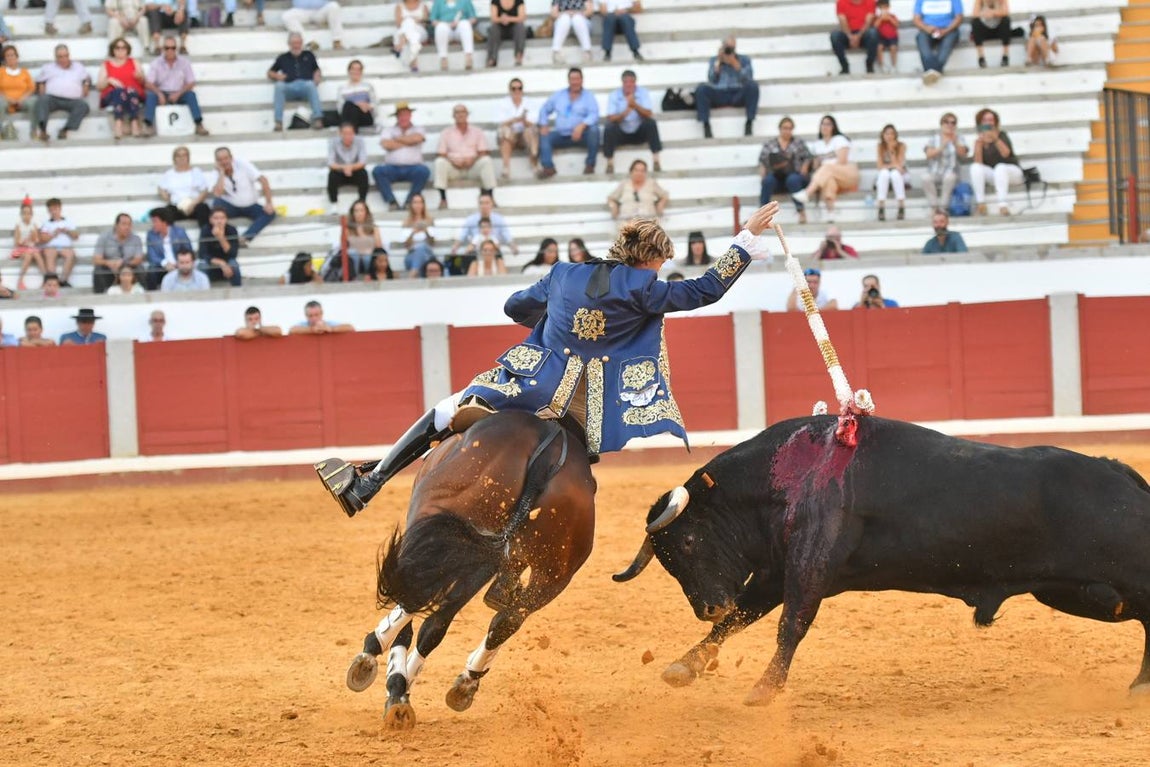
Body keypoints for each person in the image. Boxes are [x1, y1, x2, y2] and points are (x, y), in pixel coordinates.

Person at [318, 201, 781, 516]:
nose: (658, 273)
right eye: (659, 265)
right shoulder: (642, 287)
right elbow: (702, 290)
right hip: (584, 404)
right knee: (576, 460)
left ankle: (369, 485)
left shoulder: (563, 273)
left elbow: (515, 306)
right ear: (648, 259)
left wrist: (552, 326)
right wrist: (743, 241)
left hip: (531, 380)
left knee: (446, 408)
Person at [791, 115, 858, 222]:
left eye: (828, 124)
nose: (825, 127)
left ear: (833, 127)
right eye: (823, 124)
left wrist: (824, 163)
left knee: (827, 168)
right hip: (830, 175)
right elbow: (816, 167)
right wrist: (813, 162)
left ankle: (808, 193)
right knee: (829, 180)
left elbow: (842, 161)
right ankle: (830, 212)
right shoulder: (817, 145)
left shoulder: (840, 139)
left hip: (848, 173)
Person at [536, 67, 600, 178]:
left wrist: (582, 125)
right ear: (568, 80)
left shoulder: (588, 96)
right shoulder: (559, 95)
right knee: (544, 135)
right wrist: (544, 124)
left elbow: (594, 114)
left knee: (594, 130)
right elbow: (544, 109)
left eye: (577, 79)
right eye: (572, 79)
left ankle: (590, 165)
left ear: (582, 80)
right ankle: (548, 167)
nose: (575, 82)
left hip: (581, 135)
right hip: (562, 135)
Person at [143, 34, 209, 137]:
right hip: (162, 92)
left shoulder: (184, 63)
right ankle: (148, 125)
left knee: (191, 95)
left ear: (176, 49)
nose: (170, 50)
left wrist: (178, 94)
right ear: (162, 49)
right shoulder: (156, 63)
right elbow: (149, 83)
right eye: (167, 48)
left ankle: (199, 124)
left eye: (173, 48)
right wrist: (159, 93)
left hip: (179, 92)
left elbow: (191, 82)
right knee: (151, 96)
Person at [433, 103, 497, 209]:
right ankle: (443, 199)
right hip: (454, 168)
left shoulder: (477, 131)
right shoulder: (446, 132)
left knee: (486, 161)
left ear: (467, 114)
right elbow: (441, 153)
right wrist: (452, 161)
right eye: (457, 112)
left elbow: (483, 151)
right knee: (440, 162)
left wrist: (472, 160)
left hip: (473, 167)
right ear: (453, 116)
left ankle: (491, 197)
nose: (460, 115)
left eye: (462, 112)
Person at [694, 35, 759, 139]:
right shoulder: (714, 60)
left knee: (753, 86)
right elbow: (711, 79)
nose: (729, 51)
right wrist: (718, 64)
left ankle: (749, 122)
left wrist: (736, 65)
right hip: (719, 93)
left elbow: (748, 78)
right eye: (727, 47)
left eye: (732, 48)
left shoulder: (744, 60)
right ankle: (706, 125)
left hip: (738, 93)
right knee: (701, 89)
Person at [372, 101, 431, 212]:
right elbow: (386, 144)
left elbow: (418, 138)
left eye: (405, 115)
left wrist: (396, 139)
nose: (403, 118)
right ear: (397, 117)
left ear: (410, 115)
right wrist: (409, 141)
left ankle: (410, 200)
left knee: (424, 171)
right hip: (392, 168)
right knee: (378, 171)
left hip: (413, 167)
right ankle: (391, 201)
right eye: (400, 115)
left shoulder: (418, 128)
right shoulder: (388, 130)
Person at [211, 146, 277, 244]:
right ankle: (221, 238)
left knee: (270, 213)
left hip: (250, 205)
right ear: (216, 162)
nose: (224, 162)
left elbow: (263, 180)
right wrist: (221, 173)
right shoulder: (215, 173)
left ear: (231, 158)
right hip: (231, 206)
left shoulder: (242, 164)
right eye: (220, 160)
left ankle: (245, 238)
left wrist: (269, 203)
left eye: (226, 158)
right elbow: (217, 193)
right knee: (216, 205)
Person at [603, 69, 661, 176]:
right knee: (609, 127)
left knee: (651, 123)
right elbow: (611, 118)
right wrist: (626, 112)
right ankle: (610, 162)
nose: (629, 85)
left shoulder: (643, 93)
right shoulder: (614, 95)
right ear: (622, 83)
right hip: (621, 132)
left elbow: (648, 114)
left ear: (635, 82)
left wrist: (635, 106)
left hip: (639, 131)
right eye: (626, 82)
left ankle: (656, 159)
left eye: (631, 82)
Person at [970, 107, 1023, 216]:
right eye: (985, 120)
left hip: (1011, 172)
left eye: (991, 120)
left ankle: (1002, 205)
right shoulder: (979, 140)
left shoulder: (1002, 135)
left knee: (1000, 167)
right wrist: (979, 145)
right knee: (975, 167)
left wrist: (995, 139)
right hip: (996, 175)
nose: (988, 123)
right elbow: (978, 163)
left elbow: (1006, 154)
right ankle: (981, 204)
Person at [758, 116, 812, 222]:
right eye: (785, 128)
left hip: (794, 177)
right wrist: (762, 174)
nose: (787, 131)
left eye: (789, 128)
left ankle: (801, 211)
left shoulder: (798, 143)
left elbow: (808, 157)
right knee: (767, 181)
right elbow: (762, 160)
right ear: (780, 129)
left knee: (792, 179)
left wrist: (804, 167)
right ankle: (762, 215)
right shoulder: (770, 144)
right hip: (776, 177)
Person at [268, 32, 324, 132]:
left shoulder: (309, 55)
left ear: (302, 43)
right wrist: (277, 76)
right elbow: (270, 72)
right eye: (293, 43)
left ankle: (317, 119)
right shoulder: (283, 57)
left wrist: (317, 76)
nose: (296, 46)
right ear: (289, 44)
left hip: (306, 86)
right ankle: (278, 122)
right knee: (279, 86)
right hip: (289, 86)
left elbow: (316, 69)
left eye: (298, 43)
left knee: (311, 85)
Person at [34, 44, 91, 142]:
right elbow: (41, 82)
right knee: (42, 100)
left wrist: (85, 86)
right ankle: (43, 131)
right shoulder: (48, 67)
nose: (63, 59)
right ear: (55, 57)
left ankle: (65, 130)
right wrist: (42, 92)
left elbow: (86, 79)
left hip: (73, 100)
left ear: (69, 55)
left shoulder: (79, 67)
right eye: (60, 57)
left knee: (83, 106)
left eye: (65, 56)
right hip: (52, 98)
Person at [98, 37, 145, 141]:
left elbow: (143, 82)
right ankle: (118, 124)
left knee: (130, 91)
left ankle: (134, 123)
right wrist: (109, 80)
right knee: (119, 92)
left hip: (133, 93)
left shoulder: (134, 62)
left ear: (127, 50)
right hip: (112, 95)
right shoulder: (106, 65)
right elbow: (99, 86)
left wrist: (140, 77)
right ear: (113, 50)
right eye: (117, 48)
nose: (120, 50)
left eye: (123, 48)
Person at [922, 111, 968, 213]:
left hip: (951, 172)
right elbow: (928, 154)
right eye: (946, 122)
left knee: (950, 177)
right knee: (925, 178)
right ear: (941, 124)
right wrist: (942, 145)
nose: (950, 125)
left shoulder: (959, 138)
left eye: (953, 122)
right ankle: (934, 208)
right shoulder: (933, 138)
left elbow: (963, 155)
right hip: (934, 171)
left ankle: (943, 208)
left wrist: (955, 142)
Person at [158, 145, 212, 229]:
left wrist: (193, 204)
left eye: (184, 155)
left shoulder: (196, 172)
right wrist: (167, 197)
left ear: (188, 157)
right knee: (166, 212)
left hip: (194, 206)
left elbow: (204, 191)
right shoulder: (169, 174)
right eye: (178, 156)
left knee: (203, 208)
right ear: (174, 158)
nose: (181, 158)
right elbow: (161, 188)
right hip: (177, 207)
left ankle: (205, 237)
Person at [92, 212, 145, 293]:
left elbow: (138, 259)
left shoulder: (136, 239)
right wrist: (108, 262)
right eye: (124, 224)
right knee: (98, 270)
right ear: (116, 225)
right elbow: (96, 259)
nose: (127, 227)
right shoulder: (104, 237)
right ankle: (100, 296)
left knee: (140, 269)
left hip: (128, 266)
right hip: (110, 268)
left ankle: (144, 294)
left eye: (129, 224)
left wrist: (124, 263)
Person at [452, 192, 517, 257]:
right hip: (476, 251)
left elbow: (506, 235)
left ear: (492, 203)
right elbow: (462, 235)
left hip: (493, 251)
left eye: (487, 203)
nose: (484, 206)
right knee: (469, 254)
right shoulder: (470, 219)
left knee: (498, 255)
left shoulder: (499, 219)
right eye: (481, 203)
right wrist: (455, 247)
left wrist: (513, 247)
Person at [913, 0, 963, 84]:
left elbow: (959, 18)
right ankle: (935, 70)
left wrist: (945, 30)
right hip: (928, 30)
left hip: (948, 29)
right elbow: (916, 19)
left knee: (947, 44)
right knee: (921, 39)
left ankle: (931, 71)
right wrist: (927, 28)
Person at [497, 78, 538, 178]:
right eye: (514, 88)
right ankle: (506, 167)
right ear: (510, 90)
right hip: (511, 135)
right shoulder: (503, 103)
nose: (517, 91)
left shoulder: (529, 102)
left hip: (524, 135)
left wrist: (523, 121)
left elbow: (533, 122)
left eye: (519, 88)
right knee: (505, 132)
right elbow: (501, 123)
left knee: (531, 131)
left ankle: (534, 162)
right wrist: (516, 119)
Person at [607, 158, 668, 226]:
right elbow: (611, 198)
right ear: (631, 171)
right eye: (636, 170)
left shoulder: (651, 183)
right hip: (627, 221)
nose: (639, 173)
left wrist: (660, 205)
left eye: (642, 171)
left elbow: (664, 195)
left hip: (647, 221)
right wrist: (614, 206)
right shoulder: (624, 184)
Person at [144, 205, 193, 288]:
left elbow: (188, 250)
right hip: (162, 267)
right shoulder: (151, 234)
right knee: (151, 270)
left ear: (164, 222)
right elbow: (152, 256)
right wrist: (165, 263)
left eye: (155, 221)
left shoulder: (179, 232)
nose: (153, 224)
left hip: (179, 264)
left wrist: (178, 263)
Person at [326, 122, 369, 212]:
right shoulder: (333, 142)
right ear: (340, 134)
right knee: (332, 175)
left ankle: (362, 202)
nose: (347, 136)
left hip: (355, 170)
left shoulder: (360, 141)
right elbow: (331, 163)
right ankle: (333, 203)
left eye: (350, 133)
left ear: (354, 133)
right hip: (340, 171)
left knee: (363, 174)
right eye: (345, 133)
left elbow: (363, 161)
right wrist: (344, 168)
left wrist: (351, 168)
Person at [831, 0, 878, 75]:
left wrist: (858, 36)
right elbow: (842, 20)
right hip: (847, 34)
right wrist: (850, 37)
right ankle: (844, 66)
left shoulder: (870, 2)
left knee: (873, 33)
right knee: (835, 35)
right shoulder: (841, 2)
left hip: (864, 34)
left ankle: (869, 64)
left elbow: (868, 21)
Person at [39, 197, 78, 287]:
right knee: (49, 254)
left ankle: (63, 280)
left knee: (71, 255)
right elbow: (43, 238)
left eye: (55, 209)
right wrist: (53, 234)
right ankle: (53, 281)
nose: (53, 212)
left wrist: (67, 231)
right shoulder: (46, 223)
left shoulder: (68, 221)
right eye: (51, 210)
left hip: (65, 247)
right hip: (51, 247)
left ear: (60, 208)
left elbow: (76, 236)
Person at [430, 0, 477, 71]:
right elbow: (433, 20)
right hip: (445, 27)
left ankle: (468, 57)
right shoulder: (438, 2)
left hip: (459, 28)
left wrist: (459, 23)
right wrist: (447, 24)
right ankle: (443, 58)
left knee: (465, 24)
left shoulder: (465, 1)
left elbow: (473, 18)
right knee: (440, 27)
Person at [0, 45, 37, 136]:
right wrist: (8, 99)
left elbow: (31, 88)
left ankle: (33, 132)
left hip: (22, 101)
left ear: (17, 57)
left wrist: (22, 99)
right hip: (6, 100)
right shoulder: (1, 72)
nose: (10, 57)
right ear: (4, 59)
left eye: (12, 55)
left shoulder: (24, 72)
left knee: (34, 102)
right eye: (7, 56)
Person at [199, 206, 242, 285]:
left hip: (227, 262)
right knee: (202, 265)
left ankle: (238, 291)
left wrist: (221, 237)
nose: (219, 221)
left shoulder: (231, 230)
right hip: (212, 262)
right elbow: (203, 254)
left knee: (234, 264)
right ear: (210, 219)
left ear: (226, 219)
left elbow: (233, 253)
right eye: (216, 218)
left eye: (222, 218)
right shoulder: (205, 230)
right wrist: (221, 263)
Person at [874, 123, 907, 221]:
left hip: (900, 174)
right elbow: (880, 166)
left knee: (895, 174)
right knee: (884, 173)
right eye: (887, 134)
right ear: (883, 135)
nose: (889, 136)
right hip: (886, 173)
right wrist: (893, 165)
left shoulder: (901, 146)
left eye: (891, 134)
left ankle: (901, 205)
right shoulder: (880, 146)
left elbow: (900, 165)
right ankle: (881, 206)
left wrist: (892, 151)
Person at [400, 193, 438, 275]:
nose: (418, 205)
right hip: (411, 255)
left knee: (422, 248)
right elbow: (406, 246)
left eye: (420, 202)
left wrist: (426, 231)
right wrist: (413, 232)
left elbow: (432, 243)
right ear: (411, 205)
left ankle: (413, 273)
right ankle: (415, 272)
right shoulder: (406, 223)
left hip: (428, 254)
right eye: (415, 202)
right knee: (419, 250)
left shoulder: (430, 221)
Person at [345, 199, 384, 275]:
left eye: (361, 210)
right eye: (356, 211)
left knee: (368, 256)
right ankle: (354, 278)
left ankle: (369, 277)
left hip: (369, 258)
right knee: (353, 252)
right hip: (354, 260)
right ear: (352, 213)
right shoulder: (348, 229)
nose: (359, 213)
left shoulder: (373, 228)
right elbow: (344, 247)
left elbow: (379, 247)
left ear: (366, 212)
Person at [11, 201, 44, 290]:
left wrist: (33, 238)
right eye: (24, 213)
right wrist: (23, 242)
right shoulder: (19, 225)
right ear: (21, 214)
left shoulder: (34, 225)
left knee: (37, 254)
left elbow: (37, 240)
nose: (27, 215)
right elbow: (16, 242)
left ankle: (46, 279)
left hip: (31, 248)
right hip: (20, 249)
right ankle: (20, 280)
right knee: (29, 255)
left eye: (29, 213)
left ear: (31, 214)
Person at [336, 59, 375, 131]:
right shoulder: (342, 88)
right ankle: (350, 132)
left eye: (358, 69)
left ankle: (348, 132)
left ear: (361, 71)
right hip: (349, 116)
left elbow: (375, 103)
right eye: (353, 69)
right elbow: (340, 108)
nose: (356, 72)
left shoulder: (367, 86)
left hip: (365, 116)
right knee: (349, 105)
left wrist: (368, 106)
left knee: (351, 107)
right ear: (349, 71)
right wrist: (358, 105)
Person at [550, 0, 593, 64]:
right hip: (563, 24)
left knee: (577, 19)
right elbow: (553, 14)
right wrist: (566, 13)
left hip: (582, 22)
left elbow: (589, 12)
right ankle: (556, 52)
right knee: (565, 19)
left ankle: (587, 51)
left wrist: (575, 13)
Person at [971, 0, 1011, 68]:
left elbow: (1006, 12)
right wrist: (984, 13)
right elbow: (974, 14)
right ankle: (981, 57)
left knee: (1006, 20)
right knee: (975, 22)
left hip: (999, 31)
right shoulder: (980, 1)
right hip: (985, 31)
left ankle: (1005, 56)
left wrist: (993, 13)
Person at [391, 0, 429, 73]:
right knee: (413, 33)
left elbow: (425, 23)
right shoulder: (399, 6)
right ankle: (414, 63)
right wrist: (411, 20)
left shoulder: (423, 6)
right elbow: (398, 24)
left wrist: (413, 21)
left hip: (420, 30)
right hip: (404, 31)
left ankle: (400, 44)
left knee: (410, 23)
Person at [488, 0, 527, 68]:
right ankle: (492, 58)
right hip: (500, 30)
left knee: (520, 27)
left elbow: (522, 17)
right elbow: (493, 18)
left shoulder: (519, 1)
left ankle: (518, 56)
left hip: (514, 30)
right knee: (493, 28)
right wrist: (501, 19)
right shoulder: (495, 1)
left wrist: (509, 19)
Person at [289, 300, 354, 334]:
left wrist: (331, 329)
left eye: (316, 315)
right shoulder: (303, 325)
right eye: (310, 316)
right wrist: (312, 330)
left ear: (321, 313)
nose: (314, 318)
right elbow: (291, 330)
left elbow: (350, 328)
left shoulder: (329, 324)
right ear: (306, 316)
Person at [874, 0, 900, 74]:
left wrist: (890, 19)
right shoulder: (878, 17)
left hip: (892, 37)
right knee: (879, 47)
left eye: (885, 7)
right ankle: (882, 66)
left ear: (889, 7)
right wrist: (881, 19)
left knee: (893, 48)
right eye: (882, 8)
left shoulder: (892, 16)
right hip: (882, 37)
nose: (884, 10)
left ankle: (894, 66)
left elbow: (897, 25)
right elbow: (875, 26)